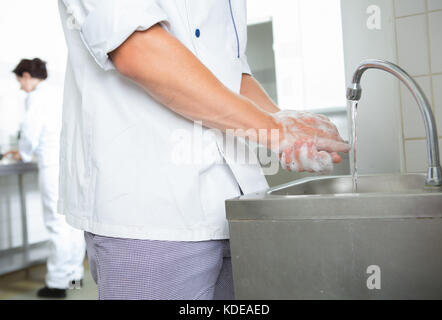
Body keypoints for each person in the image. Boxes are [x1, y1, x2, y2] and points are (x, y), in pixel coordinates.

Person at [58, 0, 349, 300]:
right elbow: (139, 50)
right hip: (152, 214)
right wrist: (274, 132)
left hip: (234, 203)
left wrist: (282, 121)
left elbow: (229, 71)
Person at [4, 58, 86, 298]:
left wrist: (24, 153)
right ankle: (74, 278)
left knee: (56, 224)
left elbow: (30, 131)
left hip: (51, 165)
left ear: (27, 76)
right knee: (72, 224)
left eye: (20, 80)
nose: (20, 86)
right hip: (69, 163)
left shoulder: (37, 97)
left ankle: (57, 284)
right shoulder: (59, 93)